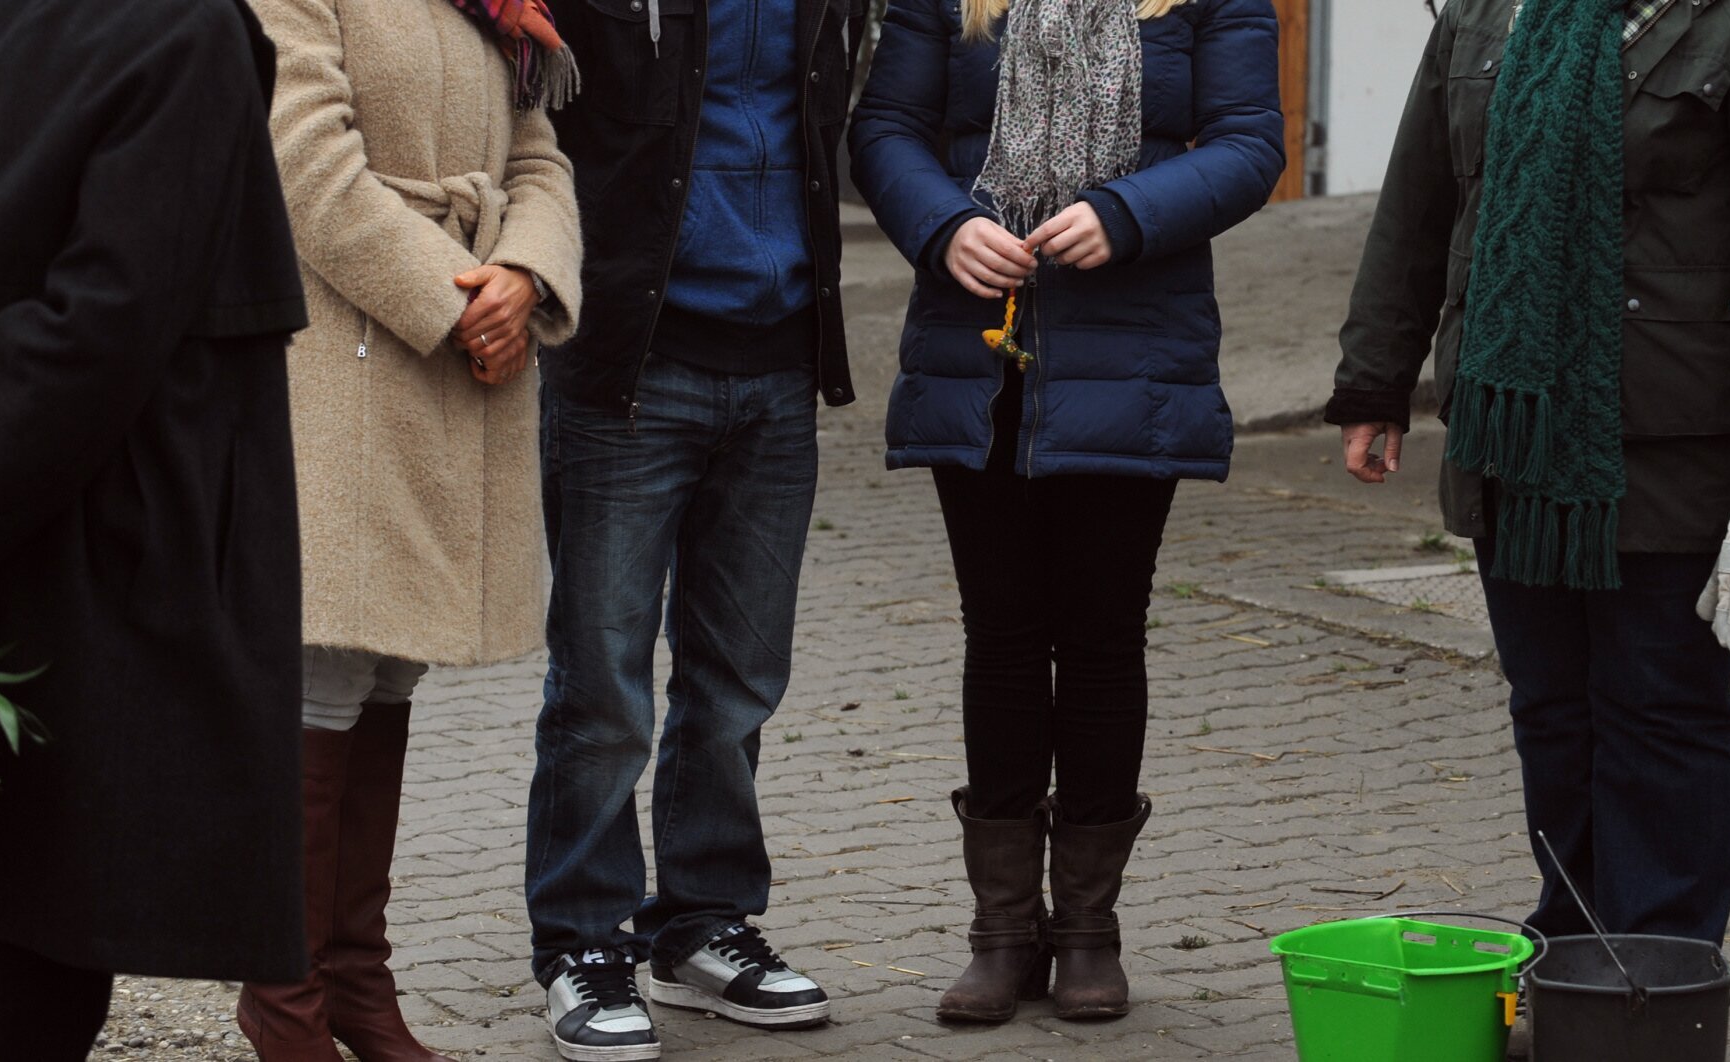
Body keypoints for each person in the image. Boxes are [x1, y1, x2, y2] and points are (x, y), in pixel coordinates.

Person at [1328, 0, 1730, 948]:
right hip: (1516, 431)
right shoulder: (1487, 13)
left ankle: (1655, 972)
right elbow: (1419, 202)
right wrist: (1377, 375)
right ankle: (1573, 953)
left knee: (1659, 712)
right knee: (1551, 711)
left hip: (1675, 433)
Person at [851, 0, 1284, 1023]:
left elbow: (1250, 143)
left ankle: (1088, 928)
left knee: (1101, 638)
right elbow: (886, 128)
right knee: (1001, 637)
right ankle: (1002, 931)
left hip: (1136, 355)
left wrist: (1125, 213)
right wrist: (944, 225)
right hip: (979, 356)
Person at [241, 0, 583, 1058]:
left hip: (458, 362)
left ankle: (354, 979)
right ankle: (285, 996)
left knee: (391, 670)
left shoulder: (495, 4)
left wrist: (525, 274)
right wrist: (461, 297)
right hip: (337, 354)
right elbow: (304, 162)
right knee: (325, 669)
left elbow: (539, 154)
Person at [523, 1, 863, 1058]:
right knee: (602, 689)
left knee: (738, 682)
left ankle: (702, 926)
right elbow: (527, 127)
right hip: (630, 362)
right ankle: (582, 943)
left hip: (780, 358)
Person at [0, 0, 311, 1057]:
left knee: (38, 943)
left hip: (80, 546)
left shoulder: (180, 33)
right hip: (66, 524)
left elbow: (105, 321)